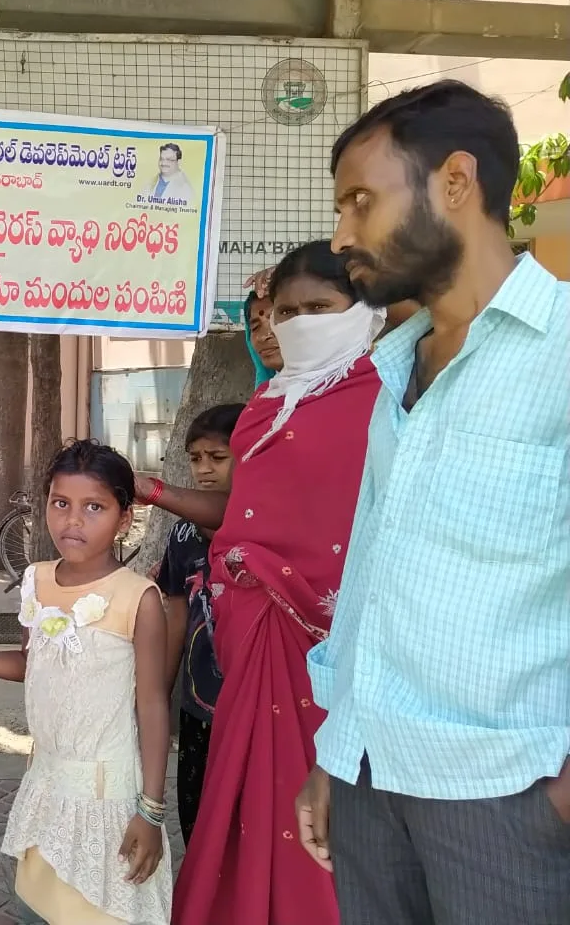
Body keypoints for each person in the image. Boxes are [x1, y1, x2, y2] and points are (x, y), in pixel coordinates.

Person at [296, 80, 570, 924]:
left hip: (508, 795)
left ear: (456, 183)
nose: (343, 237)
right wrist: (337, 751)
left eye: (362, 202)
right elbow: (372, 567)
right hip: (373, 780)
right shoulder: (396, 369)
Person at [139, 240, 384, 925]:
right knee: (248, 809)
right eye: (286, 311)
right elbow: (241, 512)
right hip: (249, 645)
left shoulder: (387, 398)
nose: (299, 323)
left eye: (319, 308)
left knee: (327, 831)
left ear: (364, 309)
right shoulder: (260, 407)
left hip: (331, 652)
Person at [0, 440, 172, 925]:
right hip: (47, 785)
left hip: (109, 798)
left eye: (93, 507)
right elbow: (32, 663)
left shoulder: (138, 599)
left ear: (124, 520)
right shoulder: (36, 580)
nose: (72, 520)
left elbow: (153, 705)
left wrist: (152, 811)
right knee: (37, 907)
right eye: (61, 503)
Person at [156, 403, 244, 845]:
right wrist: (160, 690)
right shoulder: (183, 534)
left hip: (251, 708)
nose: (204, 470)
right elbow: (175, 610)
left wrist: (149, 489)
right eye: (195, 459)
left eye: (218, 457)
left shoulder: (263, 529)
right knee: (197, 820)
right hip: (197, 706)